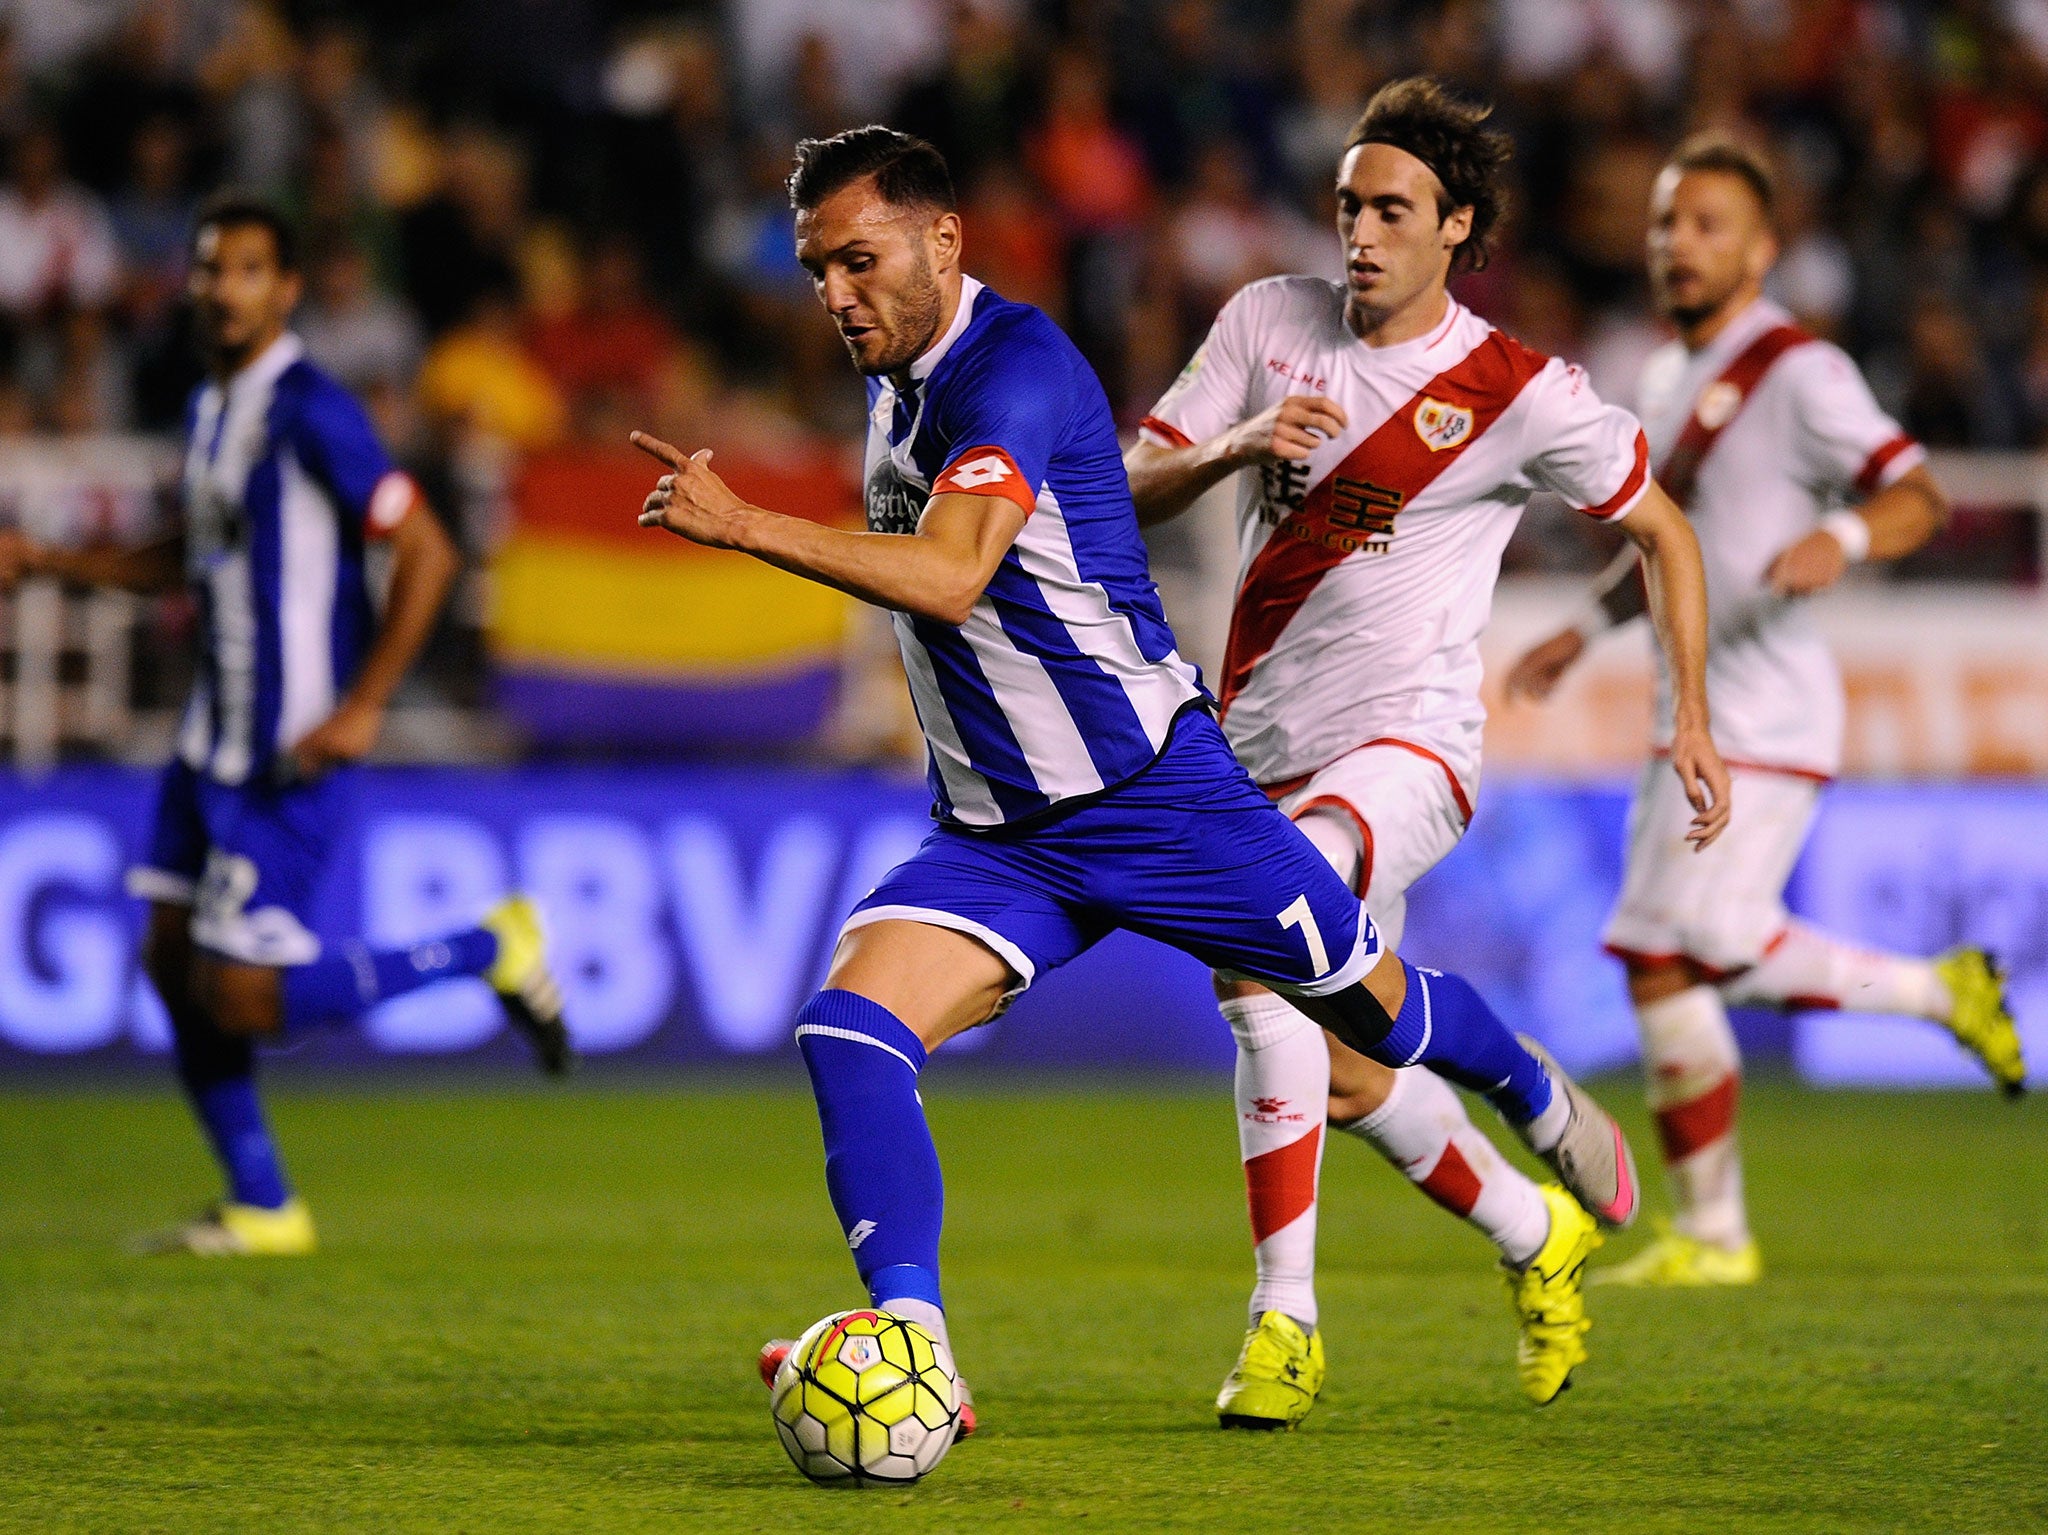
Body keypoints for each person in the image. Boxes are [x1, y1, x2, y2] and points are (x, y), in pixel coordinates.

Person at [630, 126, 1642, 1434]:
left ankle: (1539, 1100)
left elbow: (952, 573)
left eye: (859, 260)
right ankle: (917, 1349)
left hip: (1155, 799)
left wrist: (746, 525)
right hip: (1001, 832)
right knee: (848, 1030)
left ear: (944, 241)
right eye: (819, 269)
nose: (835, 295)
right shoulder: (898, 380)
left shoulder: (1014, 368)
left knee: (1368, 1010)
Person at [1124, 78, 1729, 1417]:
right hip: (1254, 741)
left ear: (1457, 225)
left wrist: (1689, 712)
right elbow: (1132, 476)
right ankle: (1534, 1209)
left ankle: (1285, 1321)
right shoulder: (1265, 322)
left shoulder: (1516, 387)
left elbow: (1668, 533)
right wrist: (1233, 445)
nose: (1360, 231)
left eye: (1392, 208)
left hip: (1414, 746)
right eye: (1348, 205)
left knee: (1276, 933)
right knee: (1343, 1069)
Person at [0, 196, 571, 1257]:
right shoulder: (214, 406)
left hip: (291, 742)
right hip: (207, 736)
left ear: (287, 289)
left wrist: (361, 706)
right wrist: (48, 562)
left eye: (249, 269)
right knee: (173, 963)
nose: (224, 287)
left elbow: (431, 551)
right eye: (211, 269)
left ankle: (490, 945)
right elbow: (192, 552)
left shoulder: (313, 409)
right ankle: (262, 1201)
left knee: (245, 990)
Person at [1505, 135, 2024, 1287]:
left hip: (1770, 714)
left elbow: (1918, 494)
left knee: (1709, 943)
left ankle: (1938, 990)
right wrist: (1582, 628)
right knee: (1653, 960)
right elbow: (1664, 543)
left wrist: (1837, 537)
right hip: (1682, 709)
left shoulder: (1800, 368)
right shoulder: (1658, 375)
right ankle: (1714, 1233)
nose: (1677, 244)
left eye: (1704, 224)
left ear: (1760, 247)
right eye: (1663, 224)